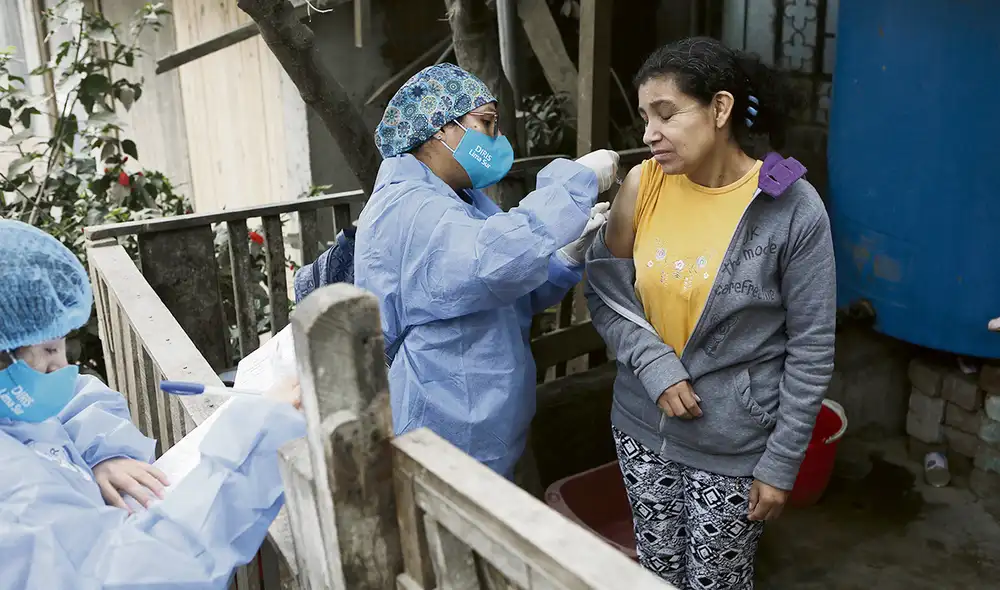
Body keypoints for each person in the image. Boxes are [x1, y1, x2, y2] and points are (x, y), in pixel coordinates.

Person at [585, 37, 836, 589]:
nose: (649, 133)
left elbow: (813, 347)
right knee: (656, 573)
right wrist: (653, 364)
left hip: (734, 445)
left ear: (720, 109)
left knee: (715, 583)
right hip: (640, 427)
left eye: (666, 114)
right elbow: (605, 287)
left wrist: (781, 463)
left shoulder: (791, 208)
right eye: (646, 116)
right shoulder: (642, 184)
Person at [0, 219, 305, 589]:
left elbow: (70, 401)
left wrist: (101, 452)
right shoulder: (16, 504)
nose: (62, 367)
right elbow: (151, 574)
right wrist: (257, 441)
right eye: (48, 349)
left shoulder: (14, 398)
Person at [353, 63, 619, 480]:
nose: (496, 138)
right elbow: (491, 262)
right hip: (440, 422)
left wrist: (562, 260)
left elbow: (505, 291)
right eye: (487, 124)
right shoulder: (409, 208)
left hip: (480, 422)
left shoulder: (462, 200)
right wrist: (573, 182)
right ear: (441, 128)